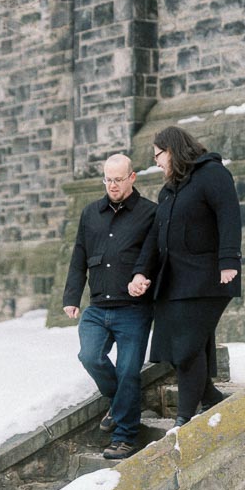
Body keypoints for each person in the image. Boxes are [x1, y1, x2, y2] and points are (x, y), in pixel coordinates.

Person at [128, 126, 241, 427]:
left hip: (209, 278)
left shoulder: (212, 174)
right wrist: (141, 272)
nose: (156, 162)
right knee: (182, 345)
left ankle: (184, 419)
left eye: (158, 155)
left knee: (188, 346)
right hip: (174, 281)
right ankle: (210, 398)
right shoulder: (169, 190)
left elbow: (229, 215)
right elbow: (154, 237)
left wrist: (229, 261)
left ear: (173, 149)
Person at [63, 153, 156, 460]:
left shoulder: (149, 213)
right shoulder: (91, 213)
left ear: (132, 178)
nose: (112, 185)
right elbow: (79, 256)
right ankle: (120, 406)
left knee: (129, 371)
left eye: (118, 179)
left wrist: (144, 277)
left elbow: (155, 255)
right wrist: (71, 298)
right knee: (89, 356)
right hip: (97, 307)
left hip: (133, 308)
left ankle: (125, 437)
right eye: (107, 179)